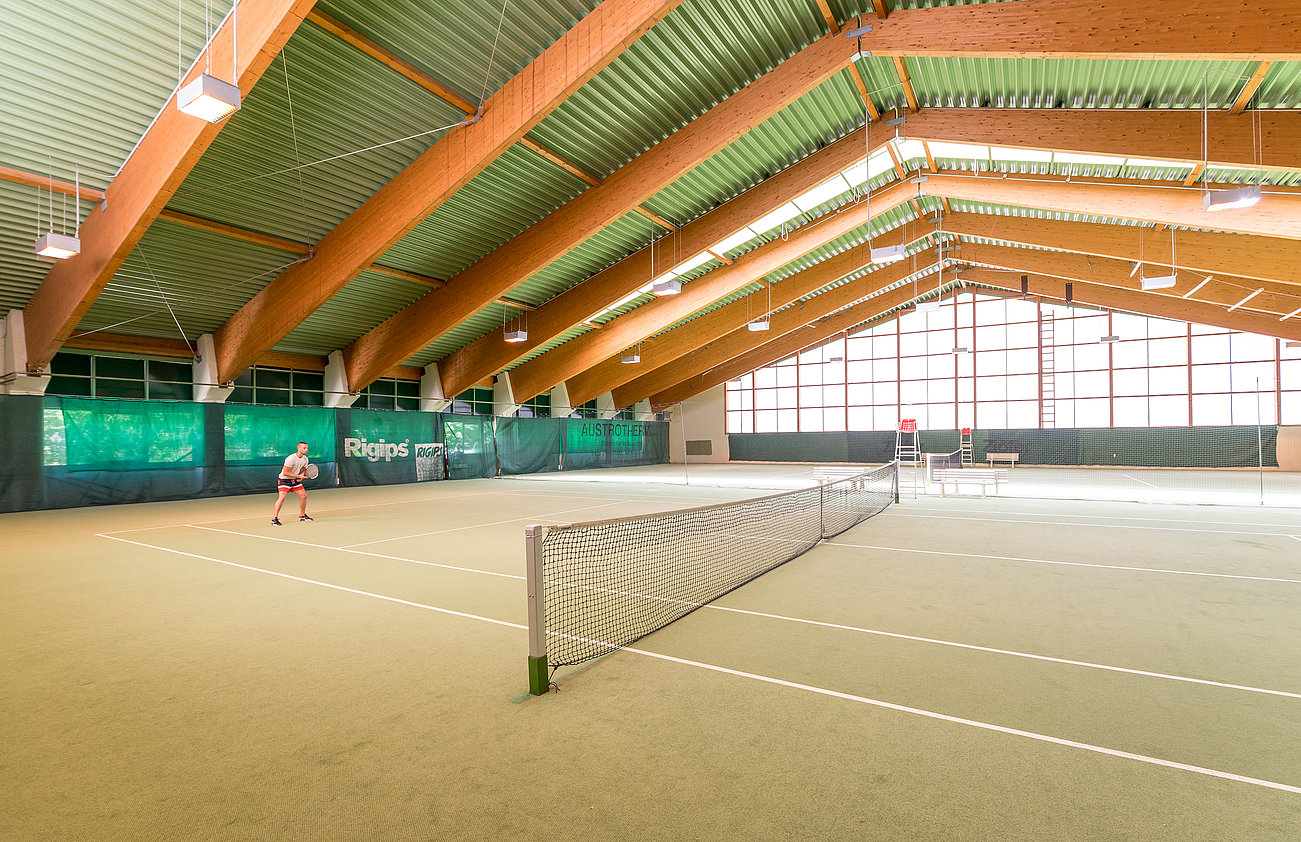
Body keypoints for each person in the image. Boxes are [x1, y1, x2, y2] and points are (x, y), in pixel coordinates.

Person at [272, 441, 313, 526]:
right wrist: (298, 476)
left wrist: (300, 476)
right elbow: (285, 473)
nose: (306, 450)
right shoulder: (291, 458)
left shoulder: (305, 459)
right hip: (284, 480)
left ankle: (302, 516)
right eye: (304, 448)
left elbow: (303, 470)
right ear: (299, 448)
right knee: (282, 497)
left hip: (294, 480)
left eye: (307, 448)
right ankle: (274, 519)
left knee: (303, 496)